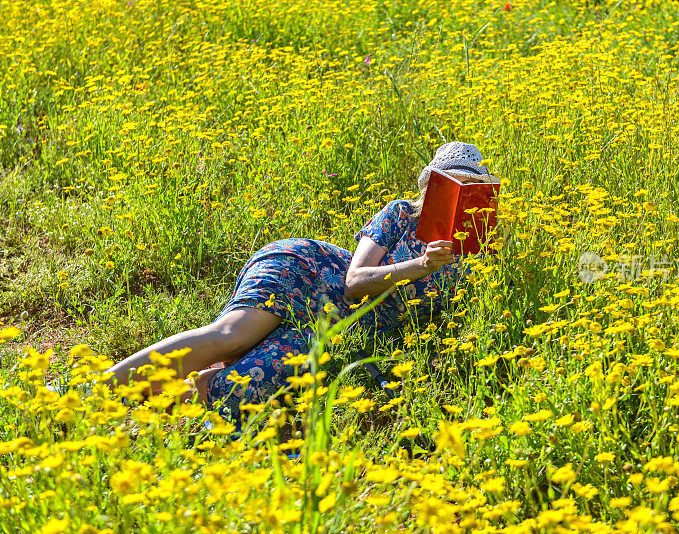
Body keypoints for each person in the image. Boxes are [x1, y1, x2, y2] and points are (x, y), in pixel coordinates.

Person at [106, 141, 499, 422]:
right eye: (449, 182)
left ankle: (138, 406)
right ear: (432, 185)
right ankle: (92, 392)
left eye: (470, 185)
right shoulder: (400, 215)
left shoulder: (481, 250)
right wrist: (421, 265)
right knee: (231, 336)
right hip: (311, 275)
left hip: (342, 329)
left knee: (241, 387)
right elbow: (355, 283)